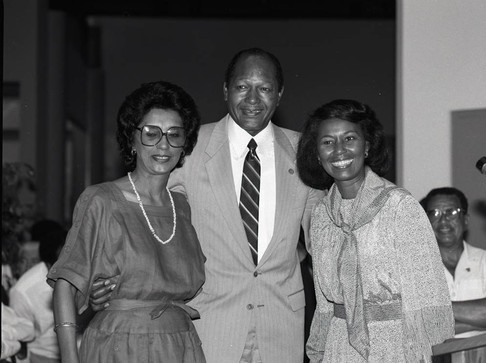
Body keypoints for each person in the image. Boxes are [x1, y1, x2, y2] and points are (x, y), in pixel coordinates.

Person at [90, 47, 324, 362]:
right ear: (225, 90)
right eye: (242, 87)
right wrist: (110, 276)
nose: (253, 98)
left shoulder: (303, 150)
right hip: (210, 327)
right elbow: (141, 211)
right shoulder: (187, 146)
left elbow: (323, 242)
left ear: (280, 94)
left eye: (265, 88)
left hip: (282, 328)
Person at [47, 81, 206, 363]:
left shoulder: (181, 206)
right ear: (131, 140)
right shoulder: (102, 200)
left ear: (185, 144)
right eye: (151, 133)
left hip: (181, 346)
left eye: (174, 134)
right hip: (120, 346)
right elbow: (65, 284)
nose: (163, 145)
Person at [297, 99, 454, 362]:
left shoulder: (400, 206)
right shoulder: (322, 215)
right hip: (340, 345)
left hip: (395, 345)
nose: (339, 150)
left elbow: (426, 295)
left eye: (349, 138)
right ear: (316, 153)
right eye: (327, 142)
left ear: (367, 146)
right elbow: (324, 301)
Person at [421, 187, 486, 338]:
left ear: (465, 220)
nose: (443, 220)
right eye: (434, 213)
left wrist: (436, 310)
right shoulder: (413, 269)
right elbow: (414, 327)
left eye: (451, 212)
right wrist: (483, 321)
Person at [9, 221, 67, 363]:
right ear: (49, 265)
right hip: (45, 357)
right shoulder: (24, 291)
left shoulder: (88, 273)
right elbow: (19, 341)